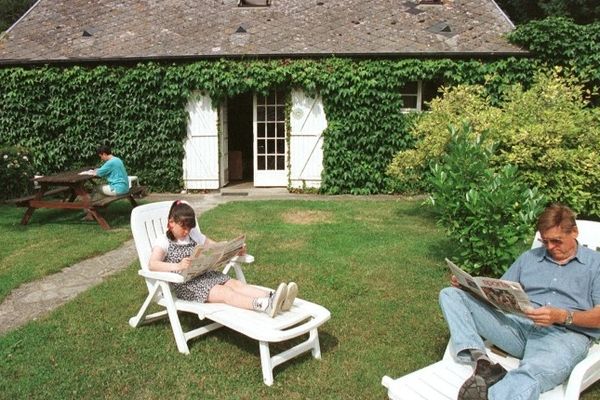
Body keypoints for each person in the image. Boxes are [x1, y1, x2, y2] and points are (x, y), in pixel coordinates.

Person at [439, 203, 600, 400]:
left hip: (563, 336)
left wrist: (562, 316)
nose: (550, 247)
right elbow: (497, 294)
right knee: (450, 295)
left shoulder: (596, 265)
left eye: (556, 241)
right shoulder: (529, 258)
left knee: (531, 373)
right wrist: (469, 287)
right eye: (545, 241)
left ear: (574, 232)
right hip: (519, 327)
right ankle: (484, 364)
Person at [148, 200, 298, 317]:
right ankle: (264, 305)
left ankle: (276, 298)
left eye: (190, 228)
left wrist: (234, 250)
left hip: (205, 275)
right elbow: (152, 264)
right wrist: (178, 266)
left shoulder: (193, 235)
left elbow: (216, 246)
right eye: (184, 227)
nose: (187, 231)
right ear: (171, 223)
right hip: (187, 285)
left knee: (236, 284)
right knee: (226, 293)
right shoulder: (163, 241)